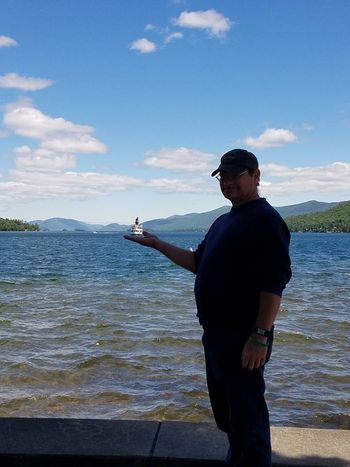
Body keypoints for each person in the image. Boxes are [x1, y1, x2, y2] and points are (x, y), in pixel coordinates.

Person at [124, 149, 292, 467]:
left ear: (256, 176)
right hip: (216, 336)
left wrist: (259, 335)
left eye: (235, 175)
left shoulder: (266, 221)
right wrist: (157, 244)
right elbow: (198, 263)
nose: (227, 182)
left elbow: (273, 285)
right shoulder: (223, 221)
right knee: (230, 417)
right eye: (223, 176)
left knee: (248, 417)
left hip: (244, 337)